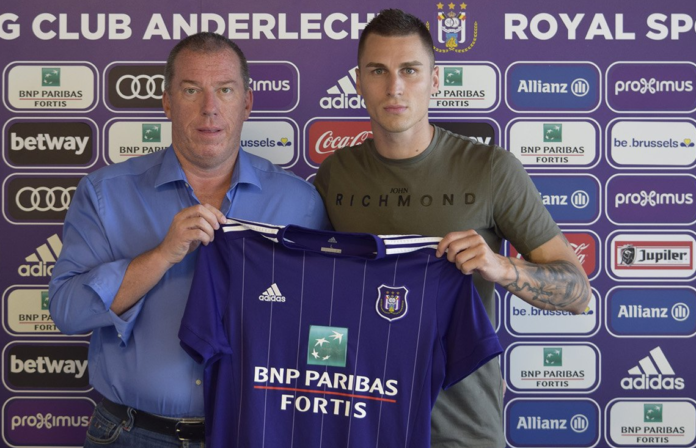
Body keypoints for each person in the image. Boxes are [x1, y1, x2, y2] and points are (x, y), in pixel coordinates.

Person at [313, 9, 591, 448]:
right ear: (359, 82)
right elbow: (313, 292)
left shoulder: (491, 168)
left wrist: (501, 267)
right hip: (361, 424)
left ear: (435, 80)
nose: (394, 87)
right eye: (378, 71)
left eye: (410, 70)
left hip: (463, 429)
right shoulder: (336, 174)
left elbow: (578, 293)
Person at [49, 32, 328, 447]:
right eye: (191, 90)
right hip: (132, 434)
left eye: (225, 90)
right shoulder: (105, 194)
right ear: (167, 103)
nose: (209, 107)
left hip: (255, 432)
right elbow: (67, 312)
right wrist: (162, 256)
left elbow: (324, 320)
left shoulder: (299, 203)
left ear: (247, 103)